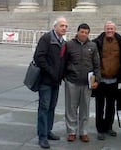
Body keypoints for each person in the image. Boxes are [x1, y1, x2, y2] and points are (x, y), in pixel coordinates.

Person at [33, 17, 68, 149]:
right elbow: (38, 57)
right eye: (62, 26)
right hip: (45, 80)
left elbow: (62, 61)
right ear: (55, 27)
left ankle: (48, 131)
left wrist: (61, 74)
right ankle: (42, 136)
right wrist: (51, 71)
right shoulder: (46, 39)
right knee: (44, 108)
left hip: (56, 81)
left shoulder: (63, 42)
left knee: (52, 107)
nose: (64, 28)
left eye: (66, 26)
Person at [63, 23, 101, 143]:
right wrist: (65, 77)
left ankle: (83, 132)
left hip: (87, 82)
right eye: (82, 32)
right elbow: (63, 61)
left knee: (85, 108)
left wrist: (97, 80)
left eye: (86, 32)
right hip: (72, 82)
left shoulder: (92, 46)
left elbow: (97, 64)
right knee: (71, 108)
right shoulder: (69, 45)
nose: (83, 34)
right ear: (77, 32)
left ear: (88, 34)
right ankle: (71, 132)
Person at [92, 21, 121, 140]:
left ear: (115, 30)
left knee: (111, 105)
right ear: (104, 29)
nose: (109, 31)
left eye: (111, 29)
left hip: (114, 79)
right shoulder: (98, 42)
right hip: (101, 80)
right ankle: (100, 129)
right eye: (107, 29)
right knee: (99, 105)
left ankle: (108, 127)